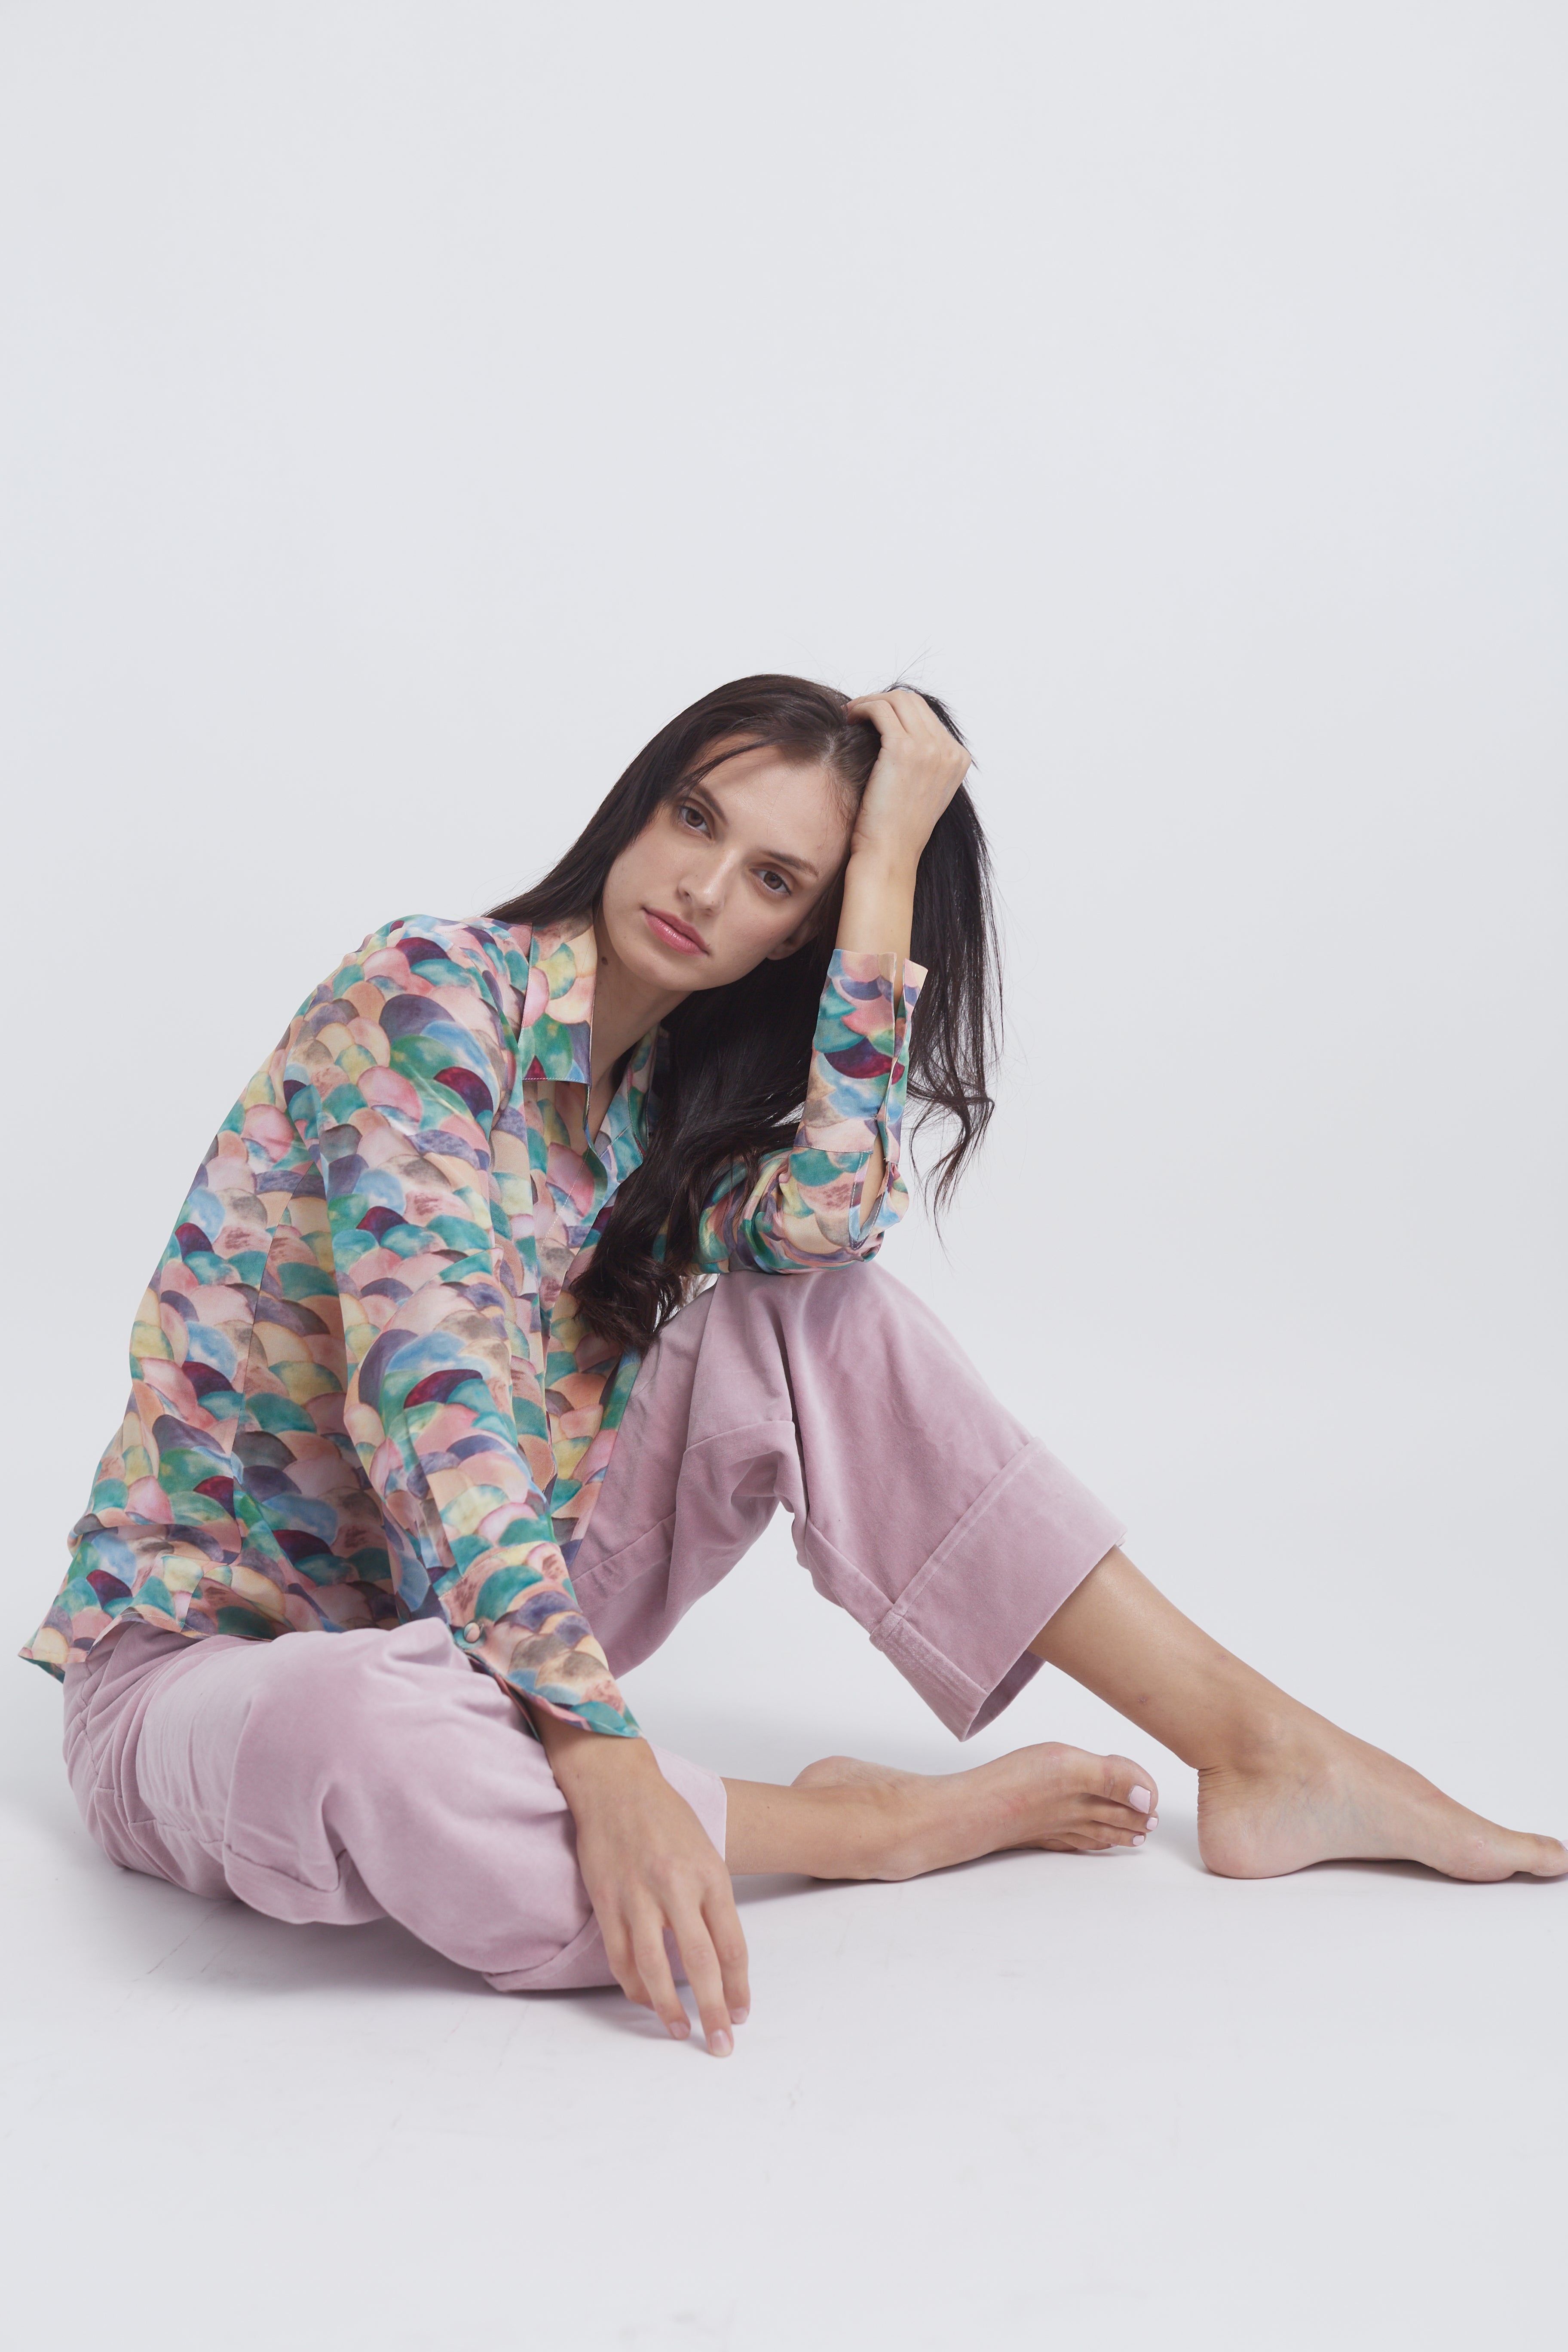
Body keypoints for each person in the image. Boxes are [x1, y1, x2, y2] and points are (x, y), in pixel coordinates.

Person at [25, 676, 1564, 2059]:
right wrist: (595, 1741)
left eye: (775, 881)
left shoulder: (649, 1120)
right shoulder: (429, 992)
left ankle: (1265, 1750)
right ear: (639, 801)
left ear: (796, 936)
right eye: (696, 818)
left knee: (819, 1317)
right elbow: (431, 1410)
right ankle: (857, 1829)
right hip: (212, 1673)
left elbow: (830, 1225)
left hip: (494, 1639)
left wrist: (883, 876)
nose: (703, 886)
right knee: (358, 1727)